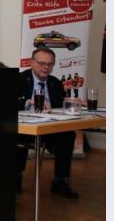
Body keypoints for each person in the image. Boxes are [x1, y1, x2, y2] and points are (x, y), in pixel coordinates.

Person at [16, 47, 78, 199]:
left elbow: (61, 105)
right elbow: (5, 102)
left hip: (48, 127)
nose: (46, 67)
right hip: (25, 128)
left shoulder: (55, 82)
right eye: (42, 63)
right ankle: (15, 176)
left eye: (50, 64)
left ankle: (60, 181)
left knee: (68, 135)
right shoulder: (19, 79)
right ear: (32, 63)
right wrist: (27, 102)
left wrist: (72, 103)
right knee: (13, 136)